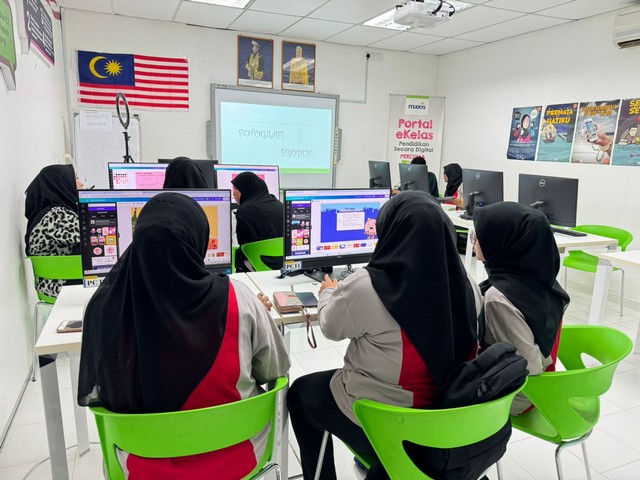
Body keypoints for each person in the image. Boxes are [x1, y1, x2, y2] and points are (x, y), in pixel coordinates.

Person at [78, 192, 289, 479]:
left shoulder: (102, 309)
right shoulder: (238, 299)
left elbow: (102, 393)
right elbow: (274, 369)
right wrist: (253, 315)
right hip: (237, 456)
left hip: (142, 466)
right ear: (197, 240)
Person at [288, 191, 482, 480]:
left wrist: (328, 292)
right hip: (446, 420)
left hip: (385, 421)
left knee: (300, 394)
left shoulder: (368, 286)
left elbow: (330, 326)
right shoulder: (469, 286)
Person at [473, 202, 569, 414]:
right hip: (546, 379)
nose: (474, 242)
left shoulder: (498, 298)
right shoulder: (541, 277)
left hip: (522, 393)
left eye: (479, 236)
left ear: (504, 241)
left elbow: (528, 368)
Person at [25, 164, 83, 298]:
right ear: (61, 184)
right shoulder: (57, 215)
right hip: (59, 287)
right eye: (75, 178)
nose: (81, 183)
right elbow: (93, 236)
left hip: (51, 285)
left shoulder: (49, 212)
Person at [230, 172, 284, 272]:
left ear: (245, 189)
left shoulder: (243, 211)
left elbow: (243, 245)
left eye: (236, 189)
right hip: (283, 264)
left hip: (258, 264)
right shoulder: (281, 205)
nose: (233, 194)